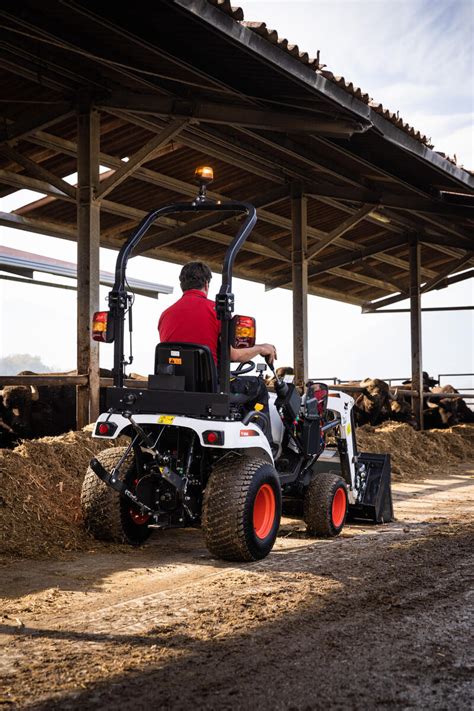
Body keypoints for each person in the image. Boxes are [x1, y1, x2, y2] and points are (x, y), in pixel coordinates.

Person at [158, 261, 277, 439]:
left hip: (175, 388)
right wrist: (261, 348)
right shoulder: (216, 311)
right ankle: (262, 448)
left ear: (182, 285)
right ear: (207, 284)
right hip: (211, 388)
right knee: (258, 386)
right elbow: (234, 354)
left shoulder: (166, 315)